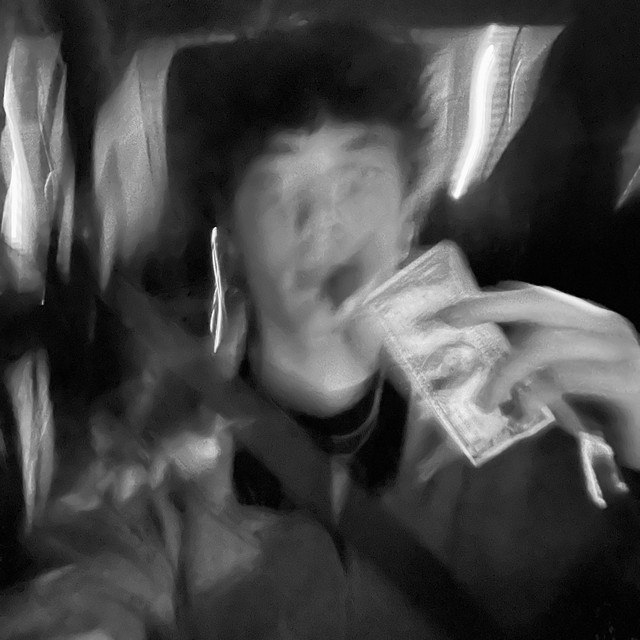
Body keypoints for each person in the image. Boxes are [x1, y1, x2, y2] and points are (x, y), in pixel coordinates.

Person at [2, 18, 640, 640]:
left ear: (410, 213)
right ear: (232, 236)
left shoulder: (524, 434)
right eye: (278, 185)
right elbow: (84, 586)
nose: (319, 223)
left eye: (356, 177)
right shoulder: (148, 475)